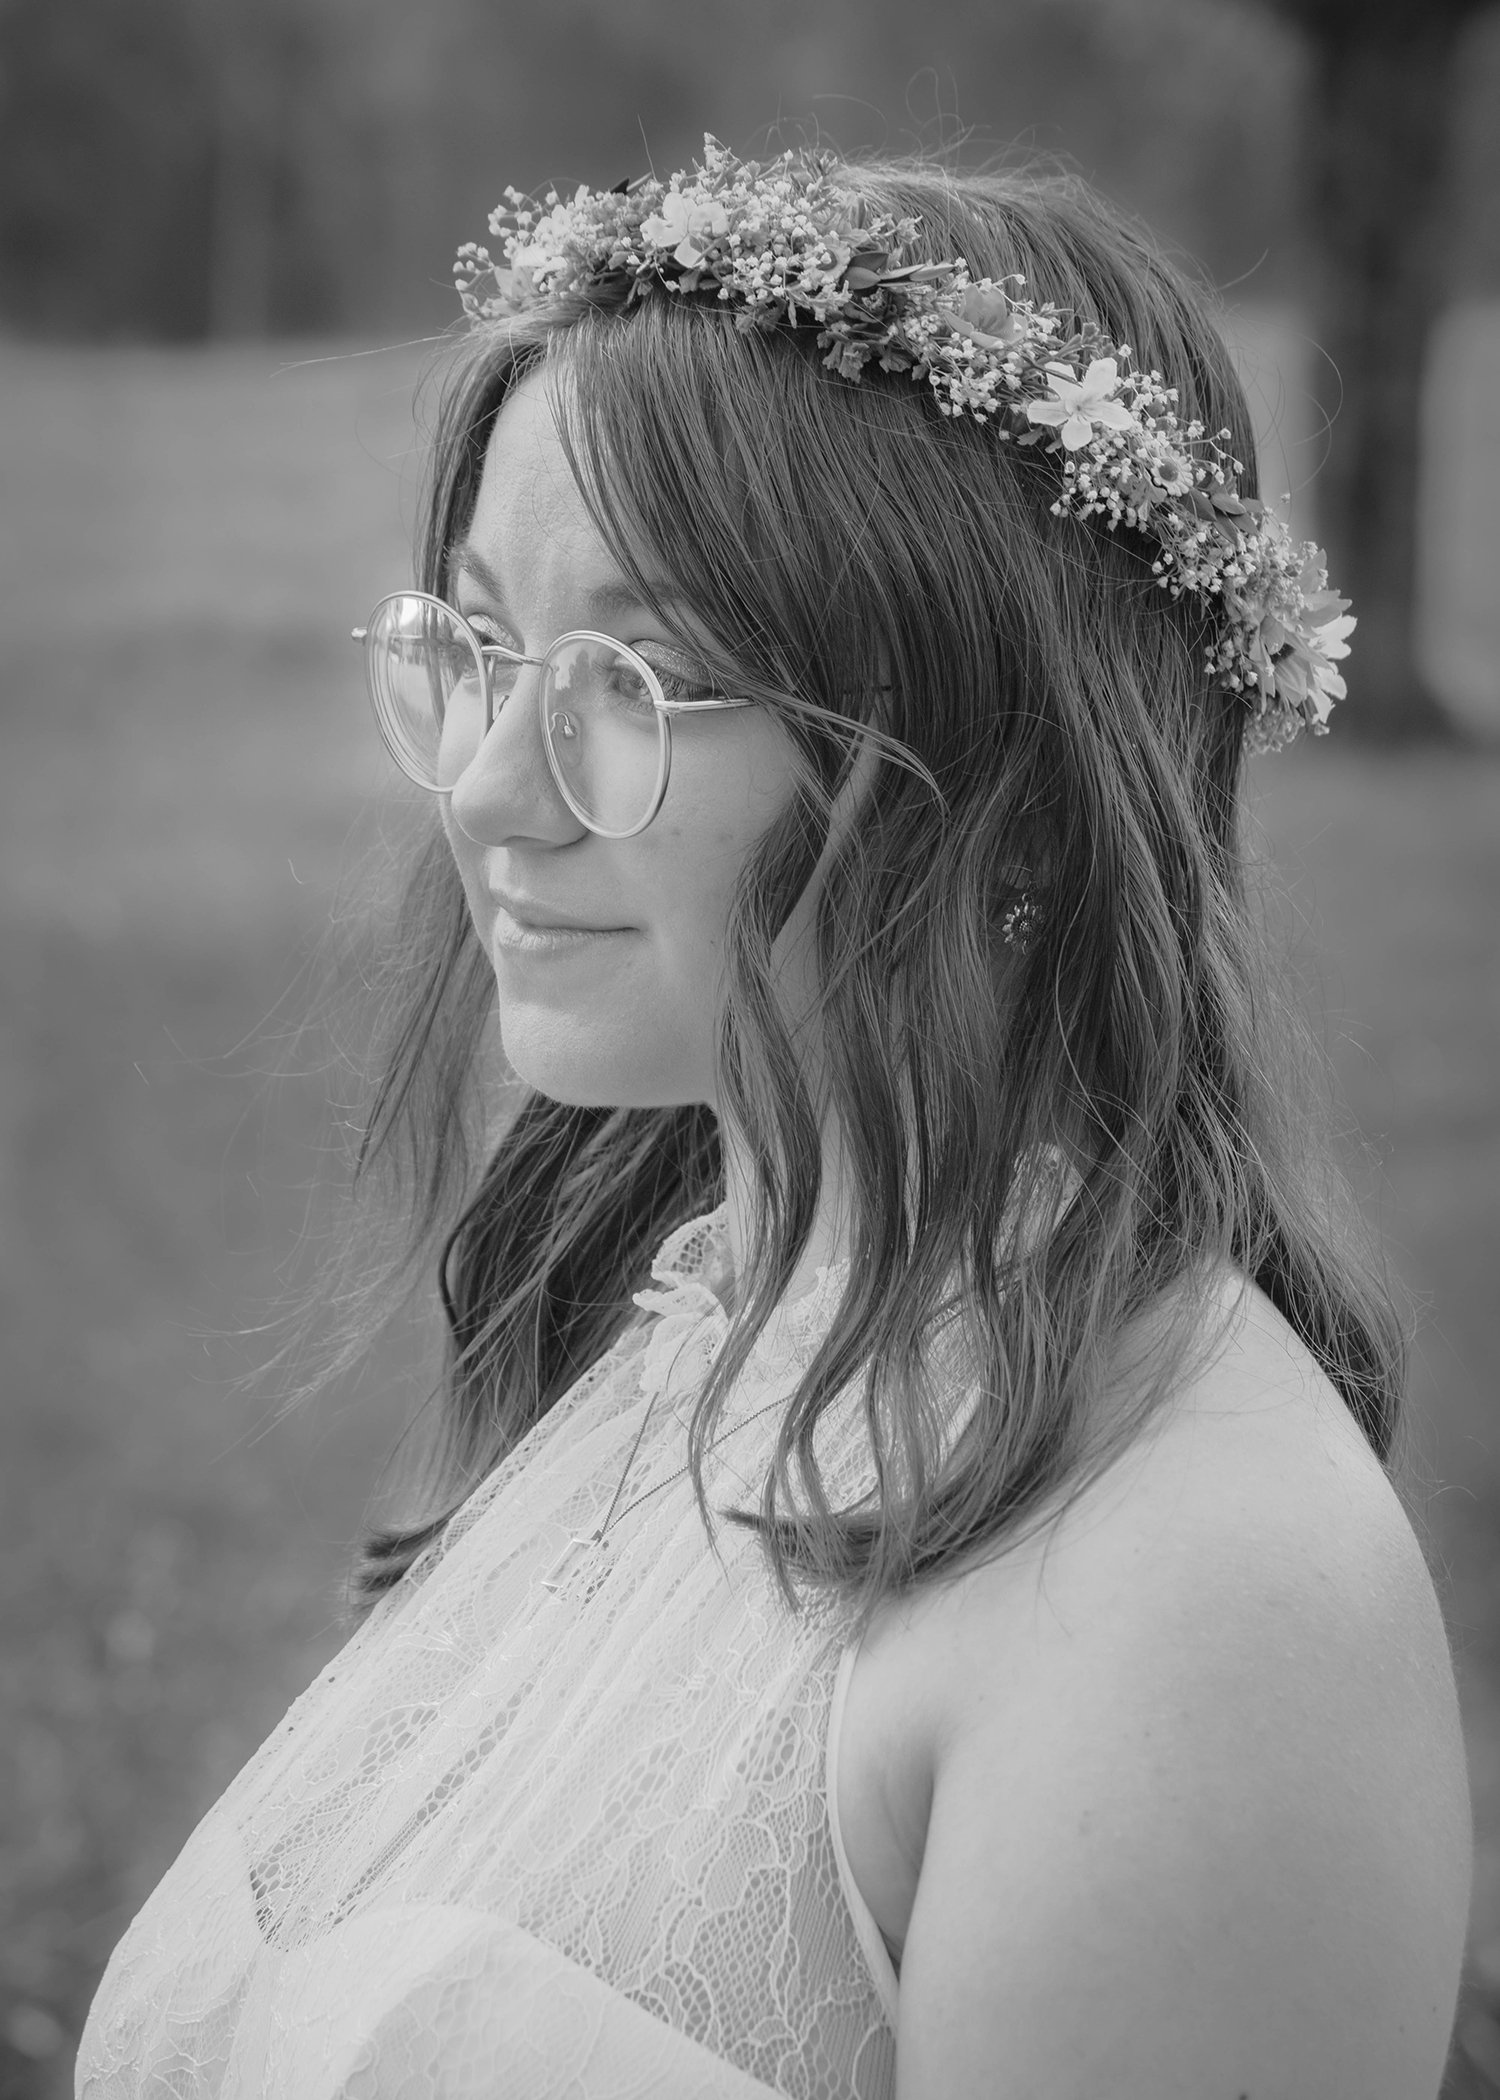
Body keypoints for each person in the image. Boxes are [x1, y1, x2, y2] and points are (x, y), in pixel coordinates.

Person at [77, 138, 1471, 2099]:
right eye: (474, 645)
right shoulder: (682, 1316)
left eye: (648, 676)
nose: (485, 786)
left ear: (1023, 777)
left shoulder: (1207, 1610)